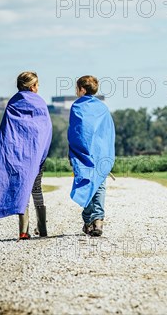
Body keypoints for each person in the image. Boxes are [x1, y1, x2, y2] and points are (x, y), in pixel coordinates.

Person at [0, 71, 52, 240]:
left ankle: (23, 231)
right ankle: (43, 228)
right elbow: (45, 129)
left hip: (15, 155)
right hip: (35, 155)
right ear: (32, 86)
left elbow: (7, 131)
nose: (38, 87)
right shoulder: (39, 103)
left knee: (21, 187)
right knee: (36, 188)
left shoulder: (13, 102)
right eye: (37, 84)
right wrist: (41, 151)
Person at [68, 75, 115, 237]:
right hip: (101, 152)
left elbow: (75, 132)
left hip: (83, 152)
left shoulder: (77, 107)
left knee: (85, 182)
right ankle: (98, 220)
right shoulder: (102, 108)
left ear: (82, 89)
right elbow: (108, 132)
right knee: (100, 184)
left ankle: (88, 221)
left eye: (76, 88)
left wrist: (73, 152)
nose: (76, 91)